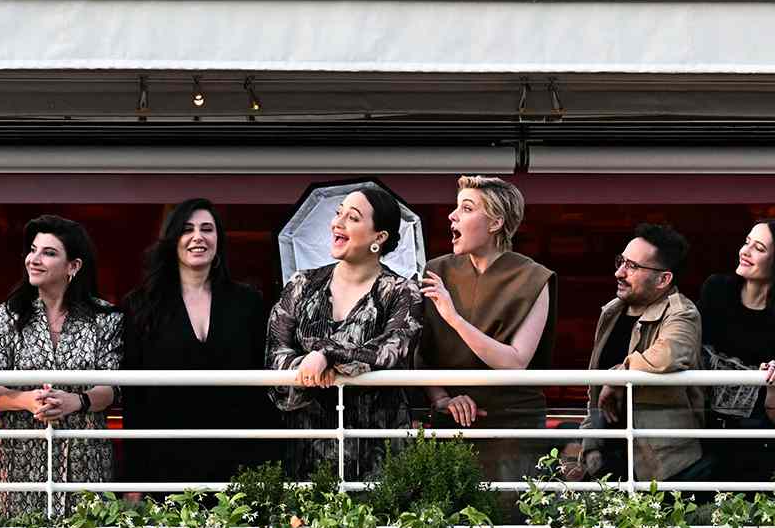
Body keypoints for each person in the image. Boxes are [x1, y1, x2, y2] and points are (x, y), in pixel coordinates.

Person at [267, 185, 423, 480]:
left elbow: (391, 350)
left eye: (352, 218)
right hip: (307, 452)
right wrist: (306, 367)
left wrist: (326, 355)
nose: (336, 223)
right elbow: (274, 355)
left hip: (379, 455)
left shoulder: (404, 292)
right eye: (338, 214)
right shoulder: (301, 284)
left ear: (379, 238)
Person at [121, 199, 271, 493]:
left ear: (218, 240)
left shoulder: (248, 302)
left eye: (207, 229)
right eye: (187, 229)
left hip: (237, 459)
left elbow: (261, 386)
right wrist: (134, 476)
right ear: (172, 239)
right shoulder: (140, 305)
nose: (198, 237)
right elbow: (133, 396)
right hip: (164, 459)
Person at [0, 215, 123, 517]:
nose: (35, 259)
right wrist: (26, 400)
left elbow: (112, 387)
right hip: (17, 456)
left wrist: (77, 401)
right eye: (33, 250)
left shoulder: (106, 318)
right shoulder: (4, 317)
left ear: (74, 266)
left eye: (49, 252)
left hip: (85, 455)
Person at [417, 174, 557, 482]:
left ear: (495, 223)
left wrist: (454, 318)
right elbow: (419, 351)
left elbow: (515, 362)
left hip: (513, 425)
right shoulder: (433, 271)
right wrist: (441, 398)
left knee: (514, 520)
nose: (452, 216)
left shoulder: (534, 277)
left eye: (467, 208)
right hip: (452, 420)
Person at [567, 223, 706, 483]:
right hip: (607, 460)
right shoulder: (612, 311)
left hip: (664, 468)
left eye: (632, 266)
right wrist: (591, 445)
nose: (619, 272)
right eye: (621, 261)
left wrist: (620, 375)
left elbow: (669, 354)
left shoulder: (682, 312)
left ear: (664, 279)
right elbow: (595, 387)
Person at [697, 220, 775, 480]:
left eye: (759, 248)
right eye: (747, 242)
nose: (745, 251)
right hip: (696, 433)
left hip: (751, 443)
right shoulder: (716, 290)